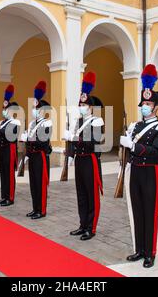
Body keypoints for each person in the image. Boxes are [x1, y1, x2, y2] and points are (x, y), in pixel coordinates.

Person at [119, 64, 158, 268]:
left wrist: (133, 145)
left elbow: (156, 152)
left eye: (149, 103)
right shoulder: (136, 125)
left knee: (149, 212)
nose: (145, 106)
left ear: (156, 107)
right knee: (137, 210)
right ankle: (139, 249)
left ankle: (150, 252)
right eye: (143, 102)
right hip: (136, 171)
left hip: (151, 172)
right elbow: (128, 150)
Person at [63, 72, 104, 241]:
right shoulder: (78, 122)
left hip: (90, 160)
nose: (81, 106)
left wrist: (73, 138)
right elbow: (75, 143)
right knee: (81, 193)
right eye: (80, 103)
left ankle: (91, 227)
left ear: (90, 107)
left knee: (91, 193)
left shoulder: (97, 121)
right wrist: (71, 155)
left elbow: (92, 143)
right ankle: (82, 224)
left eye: (84, 104)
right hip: (80, 160)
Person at [20, 81, 53, 219]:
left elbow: (42, 142)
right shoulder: (33, 123)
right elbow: (31, 140)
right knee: (33, 183)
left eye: (37, 109)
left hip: (40, 156)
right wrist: (27, 153)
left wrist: (28, 139)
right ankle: (35, 208)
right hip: (33, 156)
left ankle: (42, 210)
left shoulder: (47, 123)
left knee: (40, 183)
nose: (34, 110)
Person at [0, 84, 21, 207]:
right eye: (3, 108)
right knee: (3, 173)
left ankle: (10, 197)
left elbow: (5, 133)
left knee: (9, 174)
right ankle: (4, 196)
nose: (4, 111)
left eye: (6, 109)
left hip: (9, 150)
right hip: (1, 150)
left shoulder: (15, 122)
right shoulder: (2, 122)